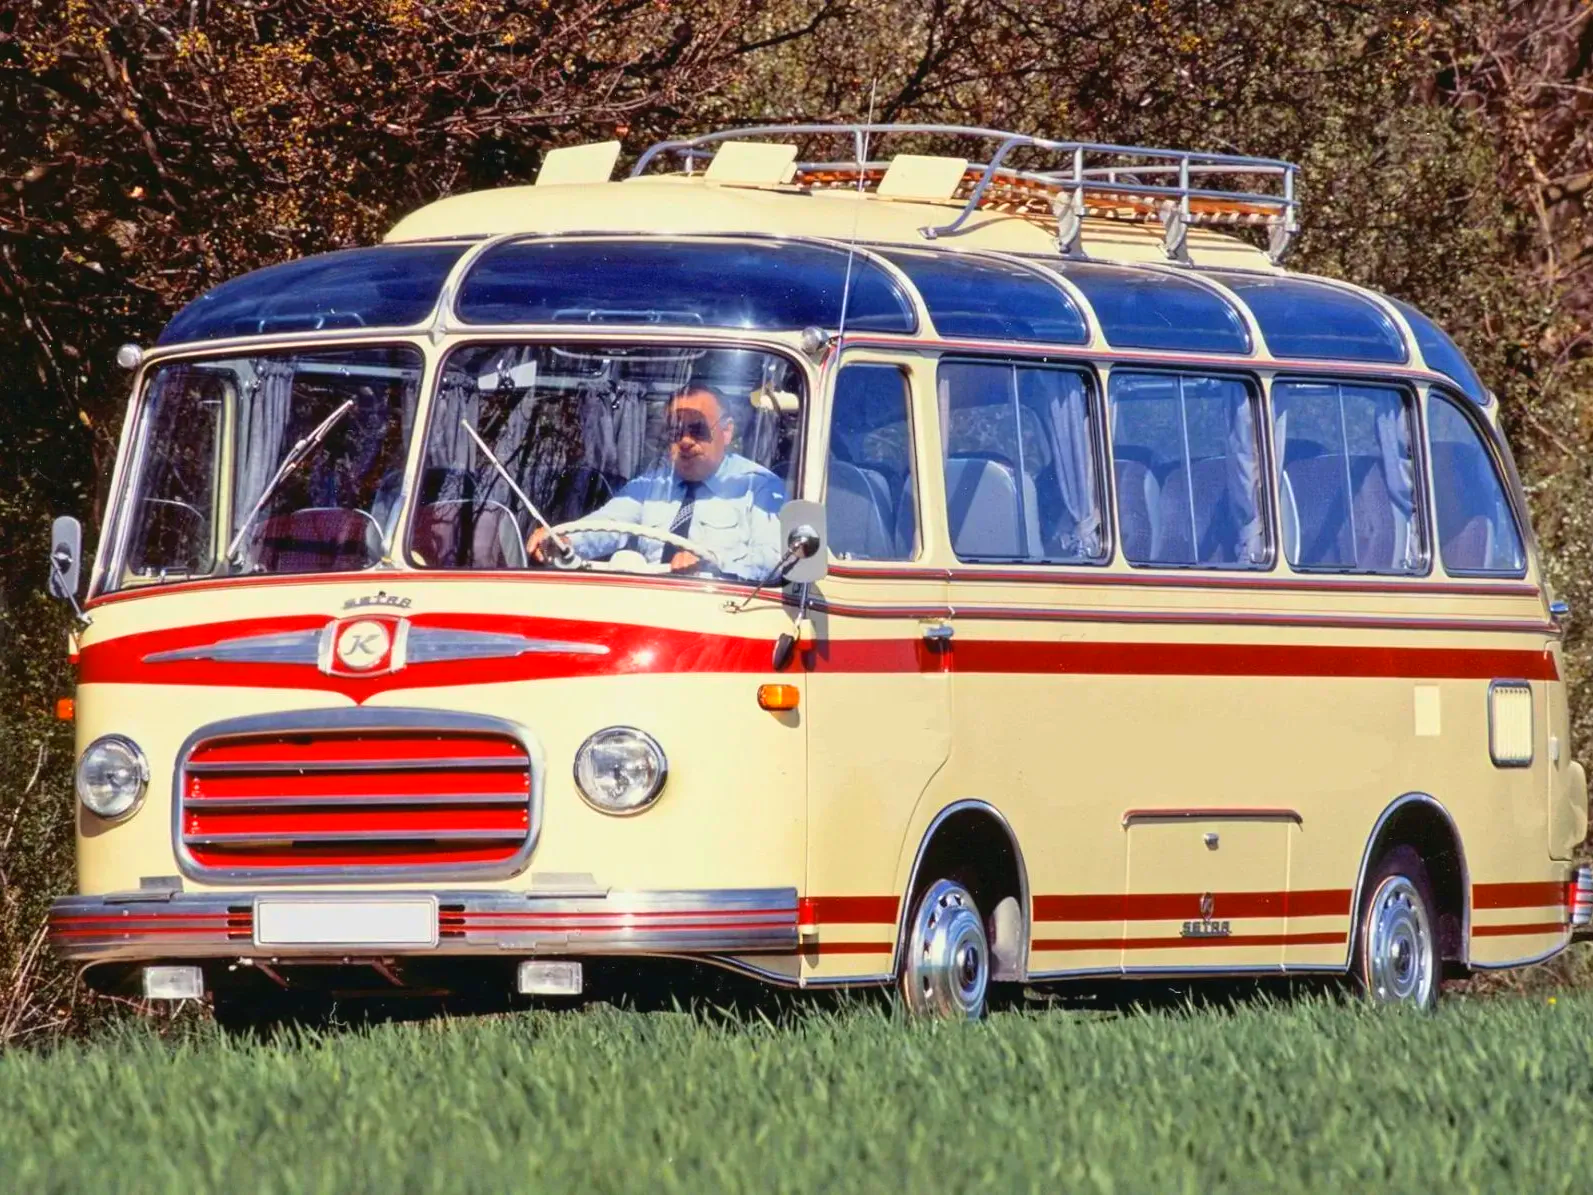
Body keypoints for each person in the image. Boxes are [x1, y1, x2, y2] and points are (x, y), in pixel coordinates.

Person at [528, 384, 784, 581]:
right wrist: (565, 541)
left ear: (726, 432)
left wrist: (713, 564)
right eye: (675, 431)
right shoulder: (653, 481)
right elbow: (610, 522)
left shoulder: (759, 486)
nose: (684, 441)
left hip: (722, 611)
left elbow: (775, 560)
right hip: (647, 608)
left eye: (697, 430)